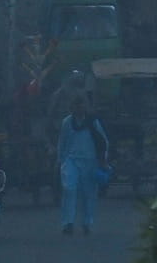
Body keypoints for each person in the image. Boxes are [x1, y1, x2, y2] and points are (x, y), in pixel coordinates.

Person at [56, 94, 109, 236]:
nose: (79, 108)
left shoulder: (93, 122)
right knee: (69, 189)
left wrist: (103, 160)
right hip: (71, 160)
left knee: (88, 193)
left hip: (90, 161)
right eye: (76, 105)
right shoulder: (67, 122)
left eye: (81, 105)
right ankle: (68, 223)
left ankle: (87, 223)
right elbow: (62, 142)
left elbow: (103, 141)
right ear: (71, 107)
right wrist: (60, 160)